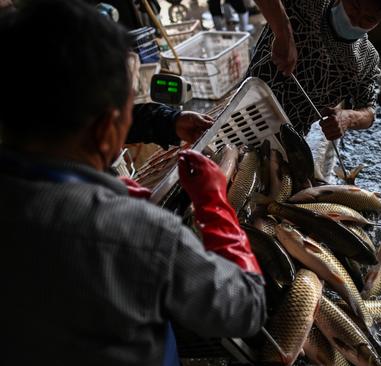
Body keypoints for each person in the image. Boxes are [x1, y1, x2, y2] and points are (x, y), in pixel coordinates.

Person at [0, 2, 266, 366]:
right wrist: (214, 203)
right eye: (128, 112)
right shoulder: (144, 236)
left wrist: (165, 122)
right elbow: (245, 307)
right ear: (107, 132)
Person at [248, 0, 381, 140]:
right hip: (245, 109)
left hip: (290, 137)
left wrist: (348, 118)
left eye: (369, 19)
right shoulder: (306, 4)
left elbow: (369, 112)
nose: (355, 20)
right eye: (354, 6)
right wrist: (283, 32)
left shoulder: (366, 59)